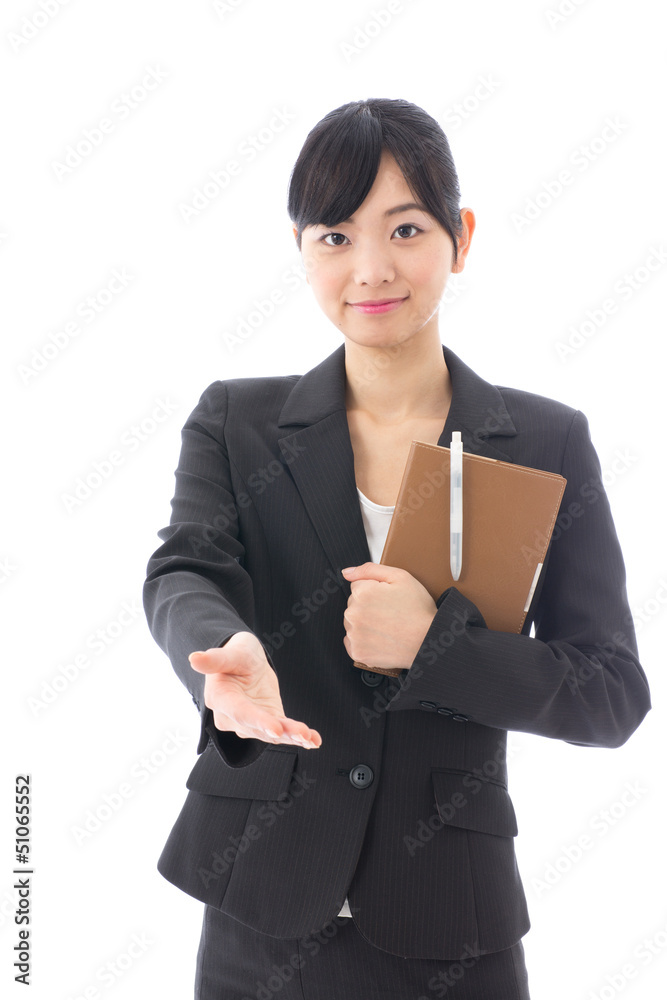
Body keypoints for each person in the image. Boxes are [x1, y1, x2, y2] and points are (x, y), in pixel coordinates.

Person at [142, 98, 651, 1000]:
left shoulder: (543, 440)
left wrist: (436, 650)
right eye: (334, 236)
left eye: (405, 229)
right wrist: (228, 653)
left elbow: (609, 693)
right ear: (300, 249)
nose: (370, 269)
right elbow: (186, 567)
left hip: (452, 925)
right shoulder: (237, 421)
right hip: (260, 919)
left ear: (460, 235)